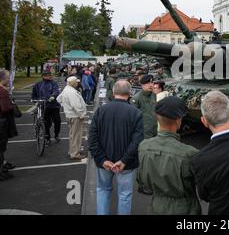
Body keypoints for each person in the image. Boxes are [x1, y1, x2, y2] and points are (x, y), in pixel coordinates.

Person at [137, 96, 201, 215]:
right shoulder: (189, 153)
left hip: (156, 206)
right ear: (178, 121)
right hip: (185, 209)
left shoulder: (144, 147)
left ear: (157, 118)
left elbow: (141, 181)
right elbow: (202, 189)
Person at [88, 80, 144, 215]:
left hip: (104, 162)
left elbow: (92, 139)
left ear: (113, 92)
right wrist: (124, 160)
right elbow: (137, 141)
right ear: (130, 93)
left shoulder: (101, 111)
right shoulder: (135, 113)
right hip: (127, 164)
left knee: (103, 190)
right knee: (125, 194)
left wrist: (102, 160)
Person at [57, 76, 87, 160]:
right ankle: (74, 153)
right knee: (76, 135)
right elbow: (75, 105)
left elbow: (58, 99)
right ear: (73, 83)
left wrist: (66, 107)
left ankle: (73, 151)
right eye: (76, 82)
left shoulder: (66, 89)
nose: (78, 83)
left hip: (70, 115)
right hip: (75, 116)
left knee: (72, 135)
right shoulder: (72, 92)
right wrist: (81, 114)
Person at [32, 70, 61, 145]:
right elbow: (34, 94)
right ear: (43, 76)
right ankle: (47, 138)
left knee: (57, 122)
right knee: (46, 123)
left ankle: (56, 135)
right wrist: (35, 101)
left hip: (54, 106)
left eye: (50, 75)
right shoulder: (38, 84)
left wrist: (53, 96)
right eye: (48, 75)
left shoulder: (53, 83)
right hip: (44, 106)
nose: (50, 76)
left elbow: (56, 91)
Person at [0, 70, 17, 180]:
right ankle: (1, 171)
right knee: (1, 147)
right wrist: (12, 104)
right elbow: (5, 108)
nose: (9, 80)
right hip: (2, 122)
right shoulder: (2, 91)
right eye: (7, 78)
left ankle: (3, 165)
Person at [131, 74, 157, 139]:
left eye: (152, 82)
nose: (151, 85)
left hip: (154, 129)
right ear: (142, 85)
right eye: (147, 83)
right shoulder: (136, 98)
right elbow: (133, 118)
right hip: (144, 131)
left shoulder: (153, 95)